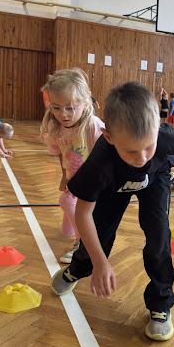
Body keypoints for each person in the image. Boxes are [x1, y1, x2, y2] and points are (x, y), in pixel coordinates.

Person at [50, 81, 174, 341]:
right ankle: (77, 270)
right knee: (99, 236)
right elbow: (82, 215)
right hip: (113, 186)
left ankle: (161, 303)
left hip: (155, 180)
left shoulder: (162, 136)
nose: (142, 157)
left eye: (149, 147)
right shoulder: (100, 163)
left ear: (156, 130)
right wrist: (101, 263)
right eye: (131, 151)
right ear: (109, 137)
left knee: (159, 236)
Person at [41, 69, 104, 264]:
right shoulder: (55, 127)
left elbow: (104, 155)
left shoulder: (92, 125)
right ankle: (69, 229)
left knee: (67, 201)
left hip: (92, 179)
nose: (63, 114)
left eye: (70, 108)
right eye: (56, 108)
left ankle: (82, 241)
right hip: (73, 176)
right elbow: (61, 153)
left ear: (85, 102)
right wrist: (64, 176)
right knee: (69, 200)